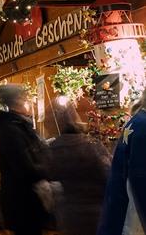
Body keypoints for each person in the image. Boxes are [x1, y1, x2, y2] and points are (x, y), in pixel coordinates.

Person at [0, 84, 49, 235]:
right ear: (17, 101)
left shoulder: (17, 125)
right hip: (22, 203)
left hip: (24, 201)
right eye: (24, 98)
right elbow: (24, 166)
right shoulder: (11, 130)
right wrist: (48, 170)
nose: (28, 102)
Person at [48, 99, 110, 235]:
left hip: (68, 214)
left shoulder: (52, 148)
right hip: (95, 212)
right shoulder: (92, 145)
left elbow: (49, 178)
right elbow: (108, 175)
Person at [98, 92, 145, 235]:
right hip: (132, 222)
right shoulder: (143, 127)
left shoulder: (137, 122)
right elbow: (141, 184)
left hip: (121, 217)